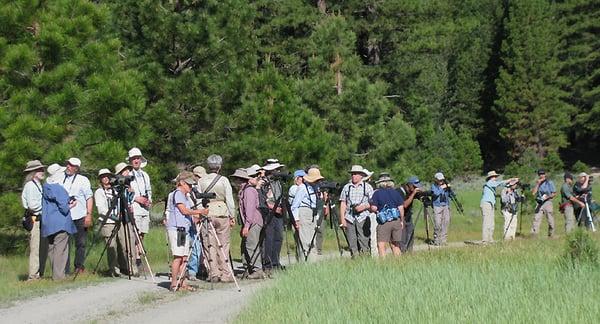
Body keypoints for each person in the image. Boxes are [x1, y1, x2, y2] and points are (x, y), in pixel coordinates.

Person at [198, 154, 236, 283]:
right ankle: (225, 273)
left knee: (209, 244)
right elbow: (229, 199)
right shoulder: (224, 180)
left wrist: (199, 213)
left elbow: (198, 198)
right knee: (223, 244)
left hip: (207, 212)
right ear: (219, 166)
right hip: (222, 212)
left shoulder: (201, 180)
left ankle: (213, 272)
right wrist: (232, 215)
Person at [166, 171, 207, 291]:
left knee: (184, 257)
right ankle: (174, 283)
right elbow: (184, 210)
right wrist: (199, 212)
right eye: (188, 185)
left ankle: (182, 282)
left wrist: (199, 216)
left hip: (184, 229)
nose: (190, 187)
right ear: (182, 183)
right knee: (178, 257)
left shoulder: (185, 197)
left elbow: (188, 213)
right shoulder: (178, 193)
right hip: (178, 229)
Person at [94, 166, 137, 277]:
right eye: (103, 177)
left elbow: (127, 202)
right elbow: (101, 210)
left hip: (120, 220)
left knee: (125, 244)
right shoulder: (99, 192)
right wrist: (114, 216)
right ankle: (114, 269)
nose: (106, 179)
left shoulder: (116, 190)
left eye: (107, 176)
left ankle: (129, 267)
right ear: (100, 179)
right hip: (108, 222)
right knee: (111, 246)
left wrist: (130, 193)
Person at [41, 164, 77, 280]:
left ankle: (55, 274)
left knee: (52, 249)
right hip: (61, 222)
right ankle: (59, 276)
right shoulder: (59, 188)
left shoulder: (46, 187)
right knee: (61, 250)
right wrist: (71, 205)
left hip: (48, 223)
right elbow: (64, 207)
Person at [61, 157, 93, 274]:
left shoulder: (83, 180)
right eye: (67, 164)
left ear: (77, 168)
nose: (68, 166)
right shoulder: (61, 178)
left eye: (71, 165)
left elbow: (89, 197)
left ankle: (79, 266)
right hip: (65, 216)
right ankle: (65, 269)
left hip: (80, 215)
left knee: (81, 243)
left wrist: (89, 215)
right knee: (65, 244)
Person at [232, 168, 265, 279]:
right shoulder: (244, 190)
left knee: (251, 245)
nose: (235, 182)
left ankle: (257, 269)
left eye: (236, 179)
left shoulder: (249, 191)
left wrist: (247, 226)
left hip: (253, 222)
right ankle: (248, 268)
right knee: (245, 246)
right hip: (250, 222)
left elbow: (250, 210)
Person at [21, 160, 49, 280]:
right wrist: (46, 207)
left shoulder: (37, 184)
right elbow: (33, 206)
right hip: (35, 219)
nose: (42, 171)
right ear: (33, 172)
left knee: (41, 248)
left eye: (42, 169)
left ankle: (38, 273)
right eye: (39, 170)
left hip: (40, 219)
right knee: (35, 248)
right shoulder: (31, 186)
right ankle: (33, 275)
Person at [291, 167, 324, 261]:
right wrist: (296, 219)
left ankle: (312, 260)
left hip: (312, 213)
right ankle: (305, 261)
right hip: (304, 212)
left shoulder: (315, 188)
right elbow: (295, 205)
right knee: (305, 240)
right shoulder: (302, 188)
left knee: (312, 239)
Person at [339, 165, 373, 256]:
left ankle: (365, 257)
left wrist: (363, 207)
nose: (353, 176)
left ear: (361, 175)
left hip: (363, 217)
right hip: (349, 217)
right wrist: (342, 219)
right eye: (352, 174)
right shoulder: (347, 187)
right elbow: (343, 203)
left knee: (364, 240)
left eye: (356, 174)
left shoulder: (368, 187)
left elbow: (373, 203)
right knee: (351, 240)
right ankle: (355, 258)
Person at [128, 147, 152, 268]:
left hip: (144, 209)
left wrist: (149, 201)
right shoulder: (128, 175)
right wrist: (136, 199)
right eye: (134, 158)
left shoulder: (145, 175)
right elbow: (127, 192)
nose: (136, 160)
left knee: (142, 232)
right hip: (135, 207)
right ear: (130, 160)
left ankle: (138, 254)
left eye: (137, 158)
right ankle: (136, 257)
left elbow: (149, 190)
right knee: (135, 231)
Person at [370, 173, 404, 257]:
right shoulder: (396, 192)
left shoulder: (377, 193)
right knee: (395, 244)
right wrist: (402, 221)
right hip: (396, 220)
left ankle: (384, 264)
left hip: (384, 222)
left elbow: (374, 208)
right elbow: (401, 208)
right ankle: (399, 263)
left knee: (381, 245)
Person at [261, 159, 286, 271]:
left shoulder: (278, 182)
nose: (278, 171)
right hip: (269, 212)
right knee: (269, 238)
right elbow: (263, 199)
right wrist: (274, 208)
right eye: (276, 169)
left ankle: (275, 262)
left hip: (278, 212)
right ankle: (268, 263)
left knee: (279, 237)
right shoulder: (264, 182)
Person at [480, 171, 519, 243]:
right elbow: (500, 183)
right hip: (486, 203)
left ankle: (490, 239)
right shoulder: (489, 183)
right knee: (487, 222)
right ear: (491, 177)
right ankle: (485, 239)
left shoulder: (491, 185)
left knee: (491, 222)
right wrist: (511, 179)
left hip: (490, 204)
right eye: (494, 176)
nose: (495, 178)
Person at [187, 165, 207, 280]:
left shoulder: (198, 190)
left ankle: (196, 269)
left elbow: (199, 203)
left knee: (197, 246)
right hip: (188, 221)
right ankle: (189, 270)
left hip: (197, 219)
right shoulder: (186, 191)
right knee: (188, 246)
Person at [397, 176, 422, 252]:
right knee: (403, 239)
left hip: (408, 217)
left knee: (410, 237)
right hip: (400, 218)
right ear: (409, 185)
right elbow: (404, 205)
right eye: (414, 187)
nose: (415, 189)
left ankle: (409, 254)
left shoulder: (411, 192)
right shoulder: (399, 191)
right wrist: (413, 193)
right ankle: (402, 254)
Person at [531, 169, 557, 237]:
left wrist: (547, 197)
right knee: (536, 218)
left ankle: (551, 234)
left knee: (550, 219)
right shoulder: (537, 183)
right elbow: (533, 193)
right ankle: (534, 234)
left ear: (545, 174)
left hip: (548, 202)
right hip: (539, 202)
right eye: (540, 174)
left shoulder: (549, 182)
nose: (541, 175)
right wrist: (538, 184)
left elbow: (554, 193)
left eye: (542, 174)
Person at [431, 172, 451, 245]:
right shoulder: (434, 186)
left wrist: (449, 188)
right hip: (437, 206)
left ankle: (443, 240)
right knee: (438, 223)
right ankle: (436, 240)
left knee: (446, 222)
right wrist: (441, 188)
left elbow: (450, 195)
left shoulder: (445, 186)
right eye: (439, 180)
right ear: (436, 180)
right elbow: (435, 193)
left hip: (445, 205)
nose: (441, 181)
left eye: (442, 180)